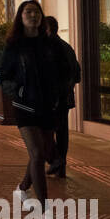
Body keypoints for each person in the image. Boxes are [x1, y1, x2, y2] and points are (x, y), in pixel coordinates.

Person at [0, 0, 71, 219]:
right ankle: (46, 213)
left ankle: (21, 189)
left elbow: (66, 70)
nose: (33, 15)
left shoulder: (50, 44)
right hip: (25, 108)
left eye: (36, 12)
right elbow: (3, 77)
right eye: (28, 12)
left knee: (39, 153)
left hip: (48, 107)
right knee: (38, 154)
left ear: (41, 16)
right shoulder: (14, 46)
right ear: (21, 17)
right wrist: (18, 92)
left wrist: (59, 94)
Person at [44, 16, 81, 179]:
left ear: (48, 29)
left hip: (54, 98)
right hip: (64, 97)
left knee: (43, 131)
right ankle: (60, 166)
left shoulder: (51, 48)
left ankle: (56, 161)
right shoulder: (67, 47)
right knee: (61, 132)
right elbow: (77, 74)